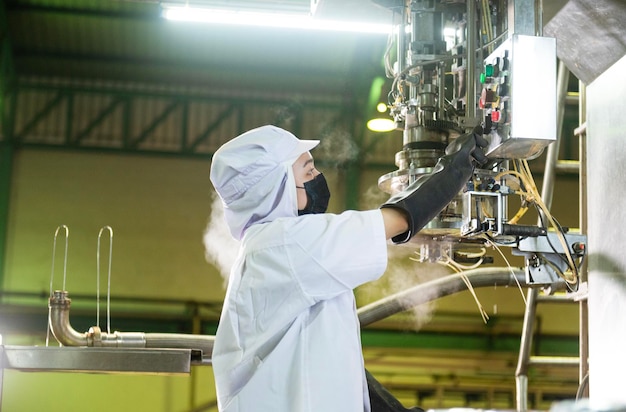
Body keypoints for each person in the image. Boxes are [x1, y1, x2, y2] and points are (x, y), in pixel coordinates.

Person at [209, 125, 487, 412]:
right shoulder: (283, 244)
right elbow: (399, 219)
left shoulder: (268, 250)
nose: (318, 178)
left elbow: (329, 362)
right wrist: (455, 166)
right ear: (276, 188)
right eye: (308, 172)